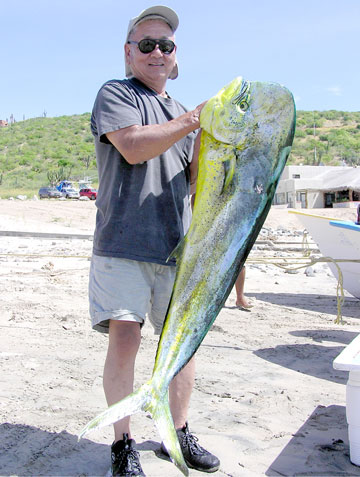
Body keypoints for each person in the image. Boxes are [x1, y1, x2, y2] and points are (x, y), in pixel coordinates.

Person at [88, 6, 220, 476]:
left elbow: (198, 182)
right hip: (122, 244)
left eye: (165, 45)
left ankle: (175, 434)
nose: (157, 52)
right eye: (147, 44)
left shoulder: (185, 116)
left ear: (175, 54)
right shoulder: (116, 93)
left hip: (175, 250)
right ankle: (123, 444)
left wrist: (218, 145)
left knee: (181, 346)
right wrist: (195, 121)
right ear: (129, 52)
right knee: (126, 339)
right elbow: (134, 145)